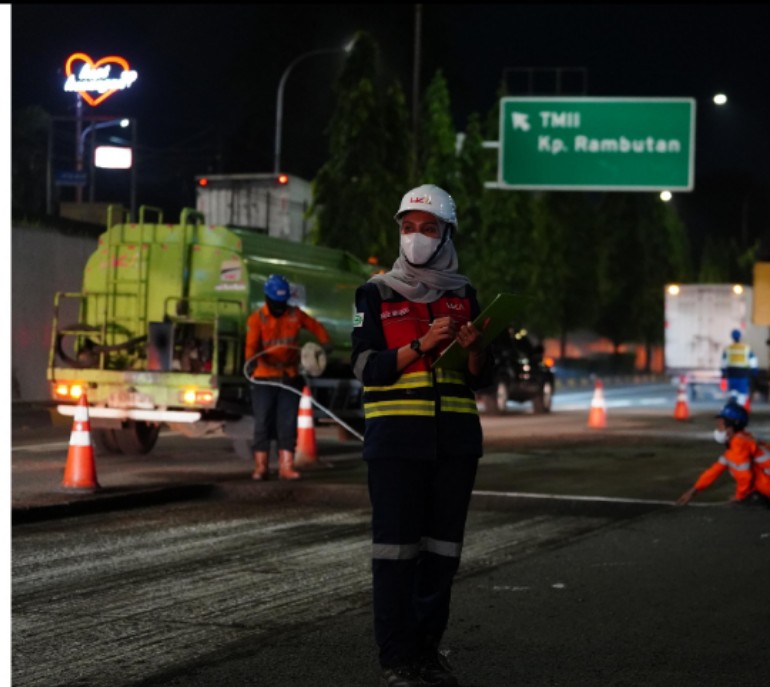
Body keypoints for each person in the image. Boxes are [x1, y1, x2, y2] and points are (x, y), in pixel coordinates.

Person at [351, 184, 493, 687]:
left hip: (454, 444)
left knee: (441, 555)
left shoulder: (464, 294)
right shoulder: (374, 292)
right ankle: (397, 661)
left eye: (427, 229)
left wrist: (474, 349)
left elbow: (480, 377)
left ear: (446, 234)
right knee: (395, 555)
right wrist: (420, 344)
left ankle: (427, 654)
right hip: (395, 445)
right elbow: (366, 366)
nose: (415, 237)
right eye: (407, 228)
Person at [245, 273, 332, 481]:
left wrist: (325, 343)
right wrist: (251, 363)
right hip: (264, 378)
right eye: (276, 302)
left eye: (282, 302)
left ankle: (286, 467)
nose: (279, 306)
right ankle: (261, 467)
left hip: (289, 377)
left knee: (287, 422)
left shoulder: (295, 315)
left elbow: (315, 326)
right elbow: (250, 347)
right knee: (263, 423)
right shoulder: (257, 319)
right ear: (268, 299)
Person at [676, 400, 770, 506]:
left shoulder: (739, 445)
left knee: (742, 505)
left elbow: (744, 477)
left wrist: (739, 497)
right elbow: (714, 471)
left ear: (730, 429)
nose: (717, 428)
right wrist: (693, 491)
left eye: (720, 425)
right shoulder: (742, 441)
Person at [720, 328, 758, 407]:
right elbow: (753, 360)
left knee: (732, 390)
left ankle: (733, 401)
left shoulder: (728, 348)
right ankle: (739, 407)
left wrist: (723, 372)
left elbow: (723, 362)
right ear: (740, 336)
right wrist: (754, 371)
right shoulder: (746, 348)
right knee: (742, 392)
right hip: (743, 374)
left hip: (731, 373)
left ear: (732, 337)